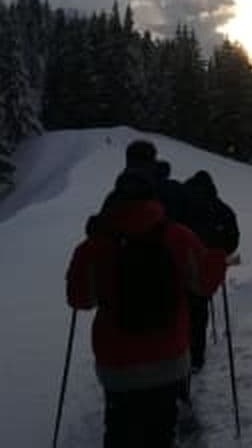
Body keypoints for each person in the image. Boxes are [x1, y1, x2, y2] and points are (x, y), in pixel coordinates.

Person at [67, 169, 227, 448]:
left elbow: (80, 300)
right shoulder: (177, 236)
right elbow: (204, 284)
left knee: (119, 431)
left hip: (116, 364)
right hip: (169, 359)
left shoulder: (95, 245)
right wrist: (217, 256)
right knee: (161, 432)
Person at [182, 170, 240, 372]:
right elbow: (232, 241)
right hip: (208, 268)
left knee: (180, 311)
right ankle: (196, 357)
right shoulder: (221, 209)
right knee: (199, 309)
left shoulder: (182, 205)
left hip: (182, 267)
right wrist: (220, 252)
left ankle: (180, 354)